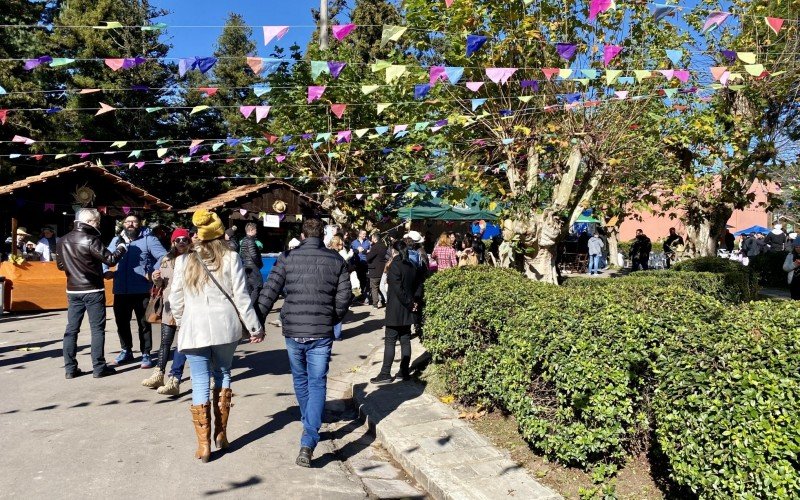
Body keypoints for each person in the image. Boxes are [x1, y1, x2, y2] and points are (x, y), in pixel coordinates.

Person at [257, 217, 352, 468]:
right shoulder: (336, 260)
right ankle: (309, 437)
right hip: (321, 331)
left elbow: (270, 290)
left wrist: (256, 321)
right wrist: (332, 318)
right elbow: (345, 296)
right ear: (323, 236)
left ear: (302, 234)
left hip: (293, 329)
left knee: (301, 379)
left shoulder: (287, 258)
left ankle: (309, 427)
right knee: (317, 382)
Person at [170, 210, 264, 463]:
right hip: (226, 326)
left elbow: (175, 299)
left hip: (194, 327)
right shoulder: (231, 257)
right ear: (221, 233)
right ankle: (221, 434)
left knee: (200, 381)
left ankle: (203, 446)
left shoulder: (183, 260)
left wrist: (182, 322)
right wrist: (255, 327)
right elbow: (241, 297)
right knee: (223, 373)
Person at [56, 209, 127, 379]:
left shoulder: (63, 240)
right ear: (89, 221)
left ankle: (70, 369)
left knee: (71, 330)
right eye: (96, 222)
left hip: (73, 289)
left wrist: (76, 268)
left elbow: (60, 266)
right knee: (97, 329)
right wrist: (122, 246)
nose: (98, 224)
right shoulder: (90, 239)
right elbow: (110, 260)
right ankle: (99, 367)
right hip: (93, 289)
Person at [105, 214, 167, 369]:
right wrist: (106, 270)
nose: (131, 224)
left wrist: (153, 271)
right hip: (120, 289)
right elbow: (104, 256)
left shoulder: (149, 239)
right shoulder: (116, 240)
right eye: (127, 221)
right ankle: (126, 350)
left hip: (141, 289)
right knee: (121, 323)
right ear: (123, 224)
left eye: (134, 221)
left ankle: (146, 353)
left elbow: (164, 257)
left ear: (140, 223)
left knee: (143, 323)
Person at [141, 228, 191, 391]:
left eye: (185, 239)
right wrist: (156, 280)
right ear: (172, 242)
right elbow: (160, 285)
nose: (181, 242)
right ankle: (158, 374)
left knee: (183, 343)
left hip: (188, 305)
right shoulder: (166, 259)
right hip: (169, 305)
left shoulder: (193, 258)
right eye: (178, 240)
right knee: (165, 342)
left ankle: (174, 378)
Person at [370, 240, 424, 385]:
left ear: (394, 252)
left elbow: (397, 289)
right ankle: (404, 371)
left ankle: (385, 373)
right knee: (405, 339)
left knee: (390, 341)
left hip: (396, 309)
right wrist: (414, 301)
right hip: (408, 309)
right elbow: (419, 285)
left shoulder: (395, 265)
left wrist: (409, 302)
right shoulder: (412, 265)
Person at [328, 234, 352, 339]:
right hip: (338, 286)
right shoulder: (340, 258)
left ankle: (330, 333)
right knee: (338, 309)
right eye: (341, 244)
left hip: (328, 285)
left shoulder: (326, 254)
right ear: (338, 245)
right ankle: (336, 335)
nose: (342, 246)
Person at [240, 223, 264, 318]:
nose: (256, 231)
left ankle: (251, 309)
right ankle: (250, 308)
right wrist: (258, 264)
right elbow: (254, 255)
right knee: (258, 286)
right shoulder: (251, 241)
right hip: (253, 267)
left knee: (250, 289)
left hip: (246, 266)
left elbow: (241, 254)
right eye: (255, 230)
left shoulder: (244, 241)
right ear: (250, 231)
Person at [366, 232, 387, 309]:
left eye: (372, 238)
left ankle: (375, 303)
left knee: (374, 287)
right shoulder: (384, 246)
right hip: (382, 269)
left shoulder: (375, 247)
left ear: (375, 238)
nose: (371, 239)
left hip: (375, 270)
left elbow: (368, 258)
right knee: (381, 286)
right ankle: (383, 301)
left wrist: (367, 253)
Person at [350, 229, 371, 304]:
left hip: (365, 263)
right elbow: (351, 253)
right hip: (356, 264)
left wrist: (366, 251)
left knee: (363, 281)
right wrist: (352, 264)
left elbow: (371, 251)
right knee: (356, 281)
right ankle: (356, 296)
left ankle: (361, 297)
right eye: (363, 234)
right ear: (359, 234)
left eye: (365, 234)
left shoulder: (368, 242)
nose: (365, 235)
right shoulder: (354, 243)